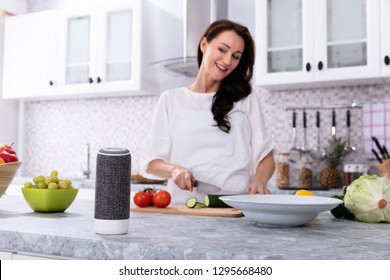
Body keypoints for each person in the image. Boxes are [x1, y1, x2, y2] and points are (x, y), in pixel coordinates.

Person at [140, 19, 275, 203]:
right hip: (184, 210)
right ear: (204, 44)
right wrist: (174, 170)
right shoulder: (170, 100)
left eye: (236, 56)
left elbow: (266, 157)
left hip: (236, 208)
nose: (227, 61)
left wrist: (260, 180)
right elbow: (151, 162)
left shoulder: (245, 98)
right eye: (222, 49)